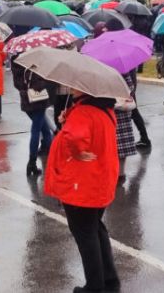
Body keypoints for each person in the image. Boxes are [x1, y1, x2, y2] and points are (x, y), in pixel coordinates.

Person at [44, 88, 120, 293]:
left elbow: (75, 137)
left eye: (75, 86)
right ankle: (109, 281)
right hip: (98, 180)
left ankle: (95, 286)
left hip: (82, 184)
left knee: (85, 234)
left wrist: (76, 149)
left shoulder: (84, 111)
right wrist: (67, 117)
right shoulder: (101, 107)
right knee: (95, 228)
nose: (71, 88)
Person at [11, 59, 53, 176]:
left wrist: (25, 89)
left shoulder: (16, 60)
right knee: (37, 131)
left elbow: (17, 84)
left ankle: (47, 155)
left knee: (45, 130)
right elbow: (42, 84)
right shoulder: (37, 59)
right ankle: (32, 163)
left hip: (26, 100)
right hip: (39, 100)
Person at [114, 74, 137, 184]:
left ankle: (117, 173)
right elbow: (131, 87)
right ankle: (121, 173)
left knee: (113, 144)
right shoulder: (123, 71)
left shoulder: (102, 71)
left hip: (112, 112)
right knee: (123, 145)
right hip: (124, 110)